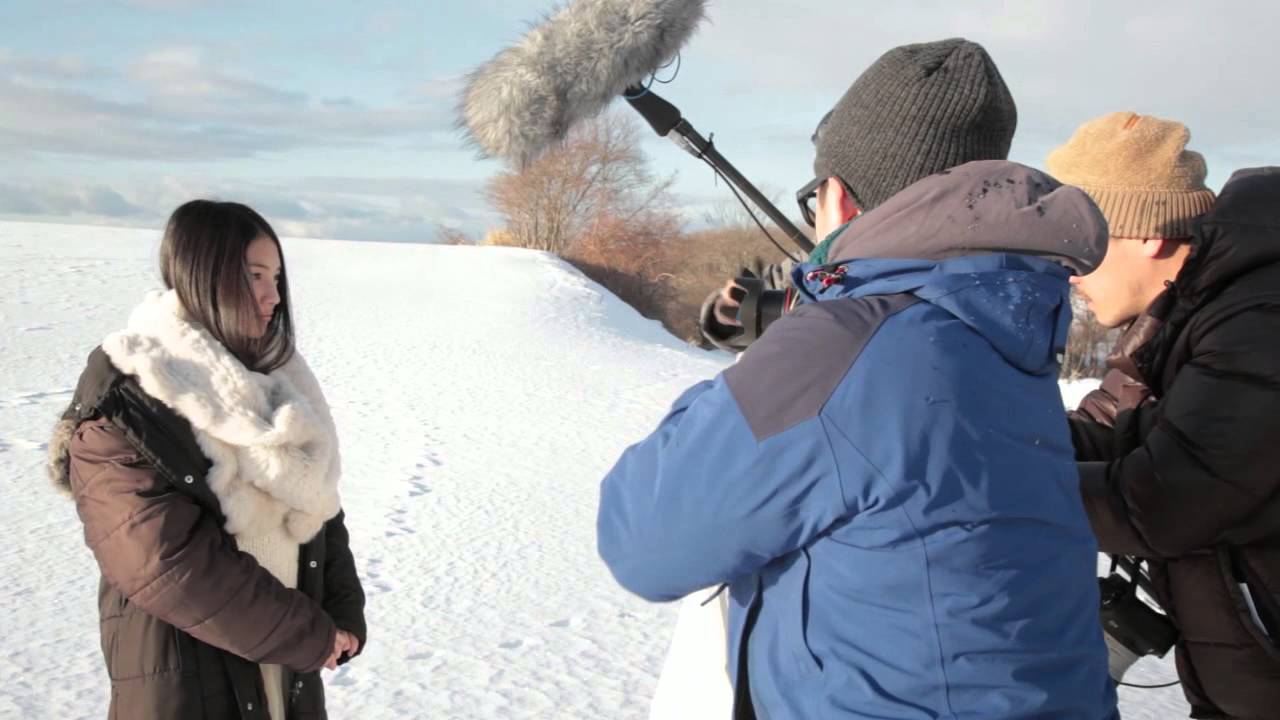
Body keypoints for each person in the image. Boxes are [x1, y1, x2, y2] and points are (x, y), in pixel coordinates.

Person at [598, 156, 1120, 718]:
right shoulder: (1004, 318)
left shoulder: (844, 345)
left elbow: (644, 543)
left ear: (838, 199)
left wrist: (773, 360)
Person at [48, 200, 366, 720]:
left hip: (285, 672)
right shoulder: (127, 403)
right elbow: (167, 565)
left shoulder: (279, 388)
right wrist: (309, 635)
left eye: (277, 278)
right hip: (189, 683)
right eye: (253, 275)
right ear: (202, 275)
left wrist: (342, 612)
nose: (272, 297)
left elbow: (320, 508)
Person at [1050, 112, 1280, 719]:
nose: (1068, 272)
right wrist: (998, 432)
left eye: (1079, 244)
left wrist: (987, 479)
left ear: (1147, 233)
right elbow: (1128, 439)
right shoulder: (1184, 315)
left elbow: (1164, 499)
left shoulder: (1260, 316)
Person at [698, 38, 1018, 352]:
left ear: (842, 204)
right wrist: (733, 315)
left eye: (816, 197)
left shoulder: (840, 367)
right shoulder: (1023, 293)